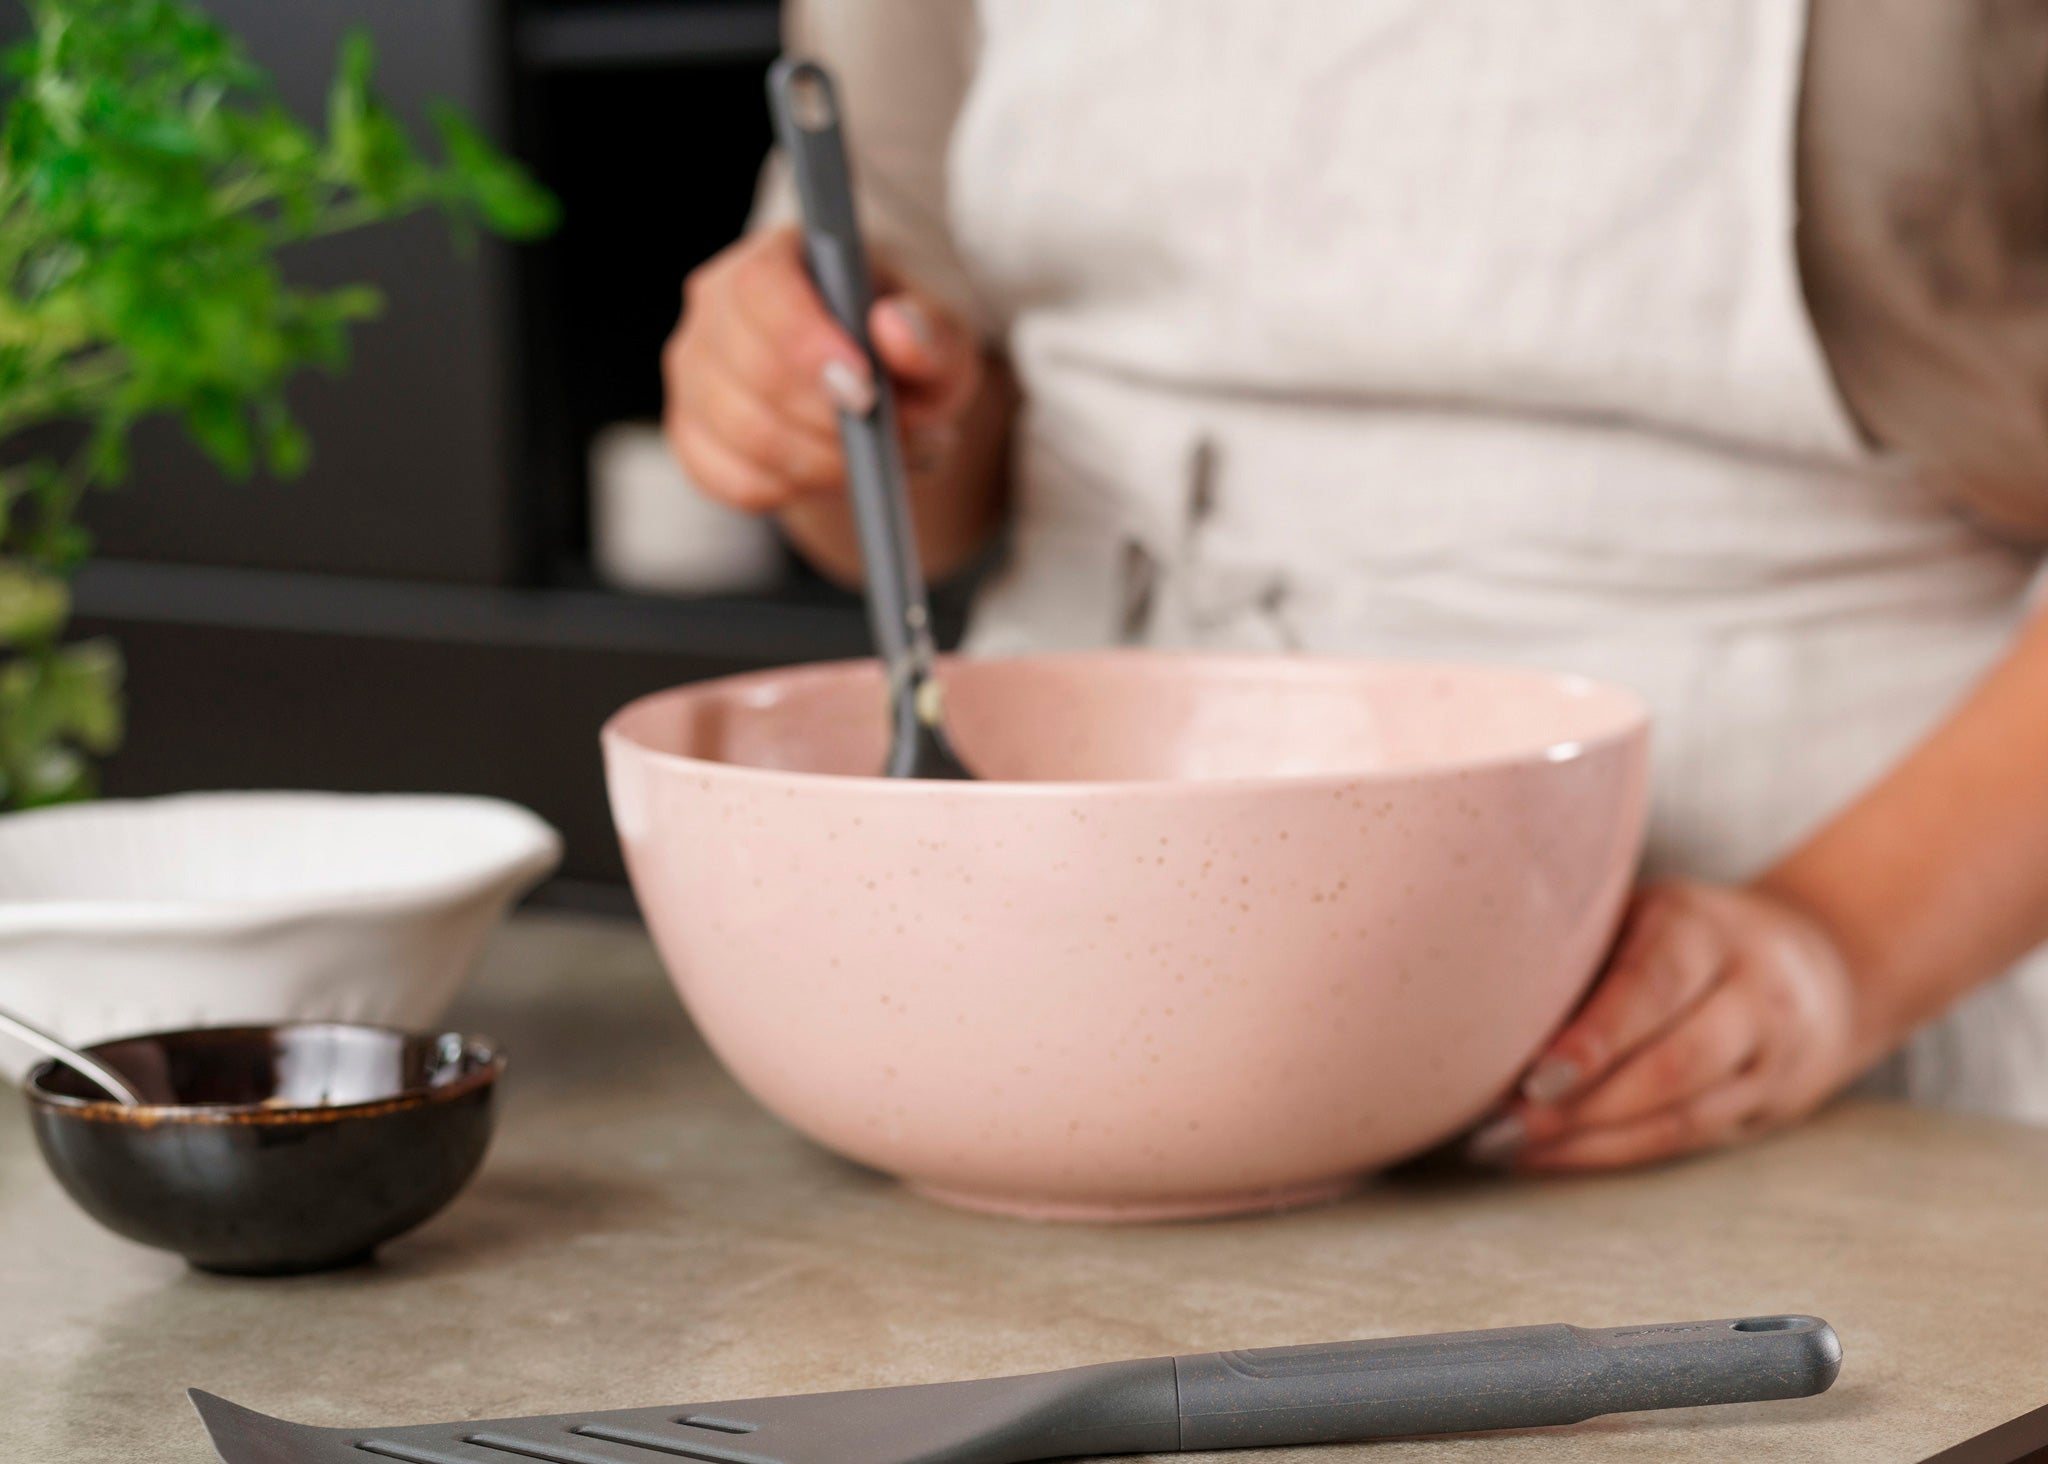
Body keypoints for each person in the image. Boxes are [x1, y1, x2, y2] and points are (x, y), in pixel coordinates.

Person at [663, 1, 2048, 1176]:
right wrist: (805, 408)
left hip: (1790, 963)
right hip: (1061, 948)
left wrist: (1836, 951)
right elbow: (909, 501)